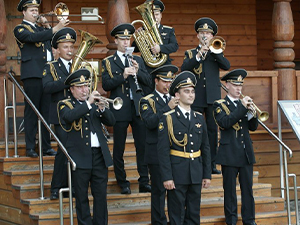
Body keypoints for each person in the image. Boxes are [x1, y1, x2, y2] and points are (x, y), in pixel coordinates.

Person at [58, 68, 115, 225]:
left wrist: (103, 108)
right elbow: (69, 117)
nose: (84, 90)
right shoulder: (65, 104)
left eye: (86, 86)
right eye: (80, 87)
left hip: (99, 156)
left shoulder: (95, 104)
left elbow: (111, 122)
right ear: (71, 89)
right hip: (79, 156)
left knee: (101, 197)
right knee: (81, 197)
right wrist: (89, 104)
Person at [102, 23, 152, 194]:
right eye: (122, 39)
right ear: (116, 40)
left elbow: (149, 82)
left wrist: (138, 72)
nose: (125, 42)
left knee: (142, 146)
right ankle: (122, 181)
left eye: (127, 39)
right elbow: (106, 84)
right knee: (119, 147)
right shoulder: (109, 62)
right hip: (120, 107)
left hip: (137, 107)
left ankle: (144, 179)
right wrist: (122, 75)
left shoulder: (137, 59)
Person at [14, 0, 69, 157]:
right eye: (31, 10)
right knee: (32, 111)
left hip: (46, 75)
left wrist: (47, 27)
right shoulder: (20, 29)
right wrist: (54, 28)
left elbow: (52, 40)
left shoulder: (41, 29)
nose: (35, 13)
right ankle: (30, 147)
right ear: (24, 12)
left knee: (46, 111)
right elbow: (32, 38)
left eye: (36, 10)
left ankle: (46, 146)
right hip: (32, 75)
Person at [158, 71, 211, 225]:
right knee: (176, 215)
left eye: (193, 91)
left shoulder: (199, 117)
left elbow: (205, 148)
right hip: (177, 173)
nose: (191, 95)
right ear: (177, 95)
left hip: (195, 171)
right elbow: (162, 151)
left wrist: (206, 174)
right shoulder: (168, 118)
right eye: (186, 91)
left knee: (194, 214)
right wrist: (167, 177)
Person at [181, 17, 231, 174]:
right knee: (194, 130)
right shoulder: (190, 53)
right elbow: (184, 69)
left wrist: (214, 52)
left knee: (211, 131)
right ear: (197, 35)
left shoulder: (217, 52)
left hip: (212, 98)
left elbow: (226, 65)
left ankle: (211, 165)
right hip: (196, 98)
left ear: (212, 36)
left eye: (208, 34)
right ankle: (195, 162)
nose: (205, 36)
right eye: (202, 33)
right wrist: (198, 55)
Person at [213, 69, 258, 225]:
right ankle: (231, 220)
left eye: (240, 85)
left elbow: (252, 127)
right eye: (235, 85)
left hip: (245, 152)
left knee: (248, 191)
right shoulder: (219, 105)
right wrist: (243, 108)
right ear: (227, 85)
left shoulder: (243, 103)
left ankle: (250, 220)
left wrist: (253, 114)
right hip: (229, 153)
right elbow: (225, 123)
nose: (239, 89)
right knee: (230, 192)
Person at [139, 64, 178, 225]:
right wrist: (166, 108)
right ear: (156, 81)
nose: (168, 85)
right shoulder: (147, 100)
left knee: (176, 191)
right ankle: (159, 222)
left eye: (170, 81)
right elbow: (150, 122)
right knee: (158, 191)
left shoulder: (175, 99)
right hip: (156, 152)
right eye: (164, 81)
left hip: (175, 151)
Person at [42, 27, 77, 200]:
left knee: (77, 151)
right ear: (56, 49)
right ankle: (56, 188)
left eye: (71, 46)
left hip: (78, 113)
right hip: (60, 115)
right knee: (63, 151)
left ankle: (73, 187)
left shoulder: (79, 65)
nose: (69, 50)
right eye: (65, 46)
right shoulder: (51, 67)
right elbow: (47, 87)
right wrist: (68, 81)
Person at [133, 0, 179, 75]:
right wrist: (138, 36)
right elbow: (134, 49)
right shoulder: (143, 30)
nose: (155, 17)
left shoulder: (168, 30)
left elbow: (175, 46)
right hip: (147, 68)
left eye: (157, 14)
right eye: (153, 14)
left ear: (161, 15)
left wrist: (160, 48)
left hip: (163, 67)